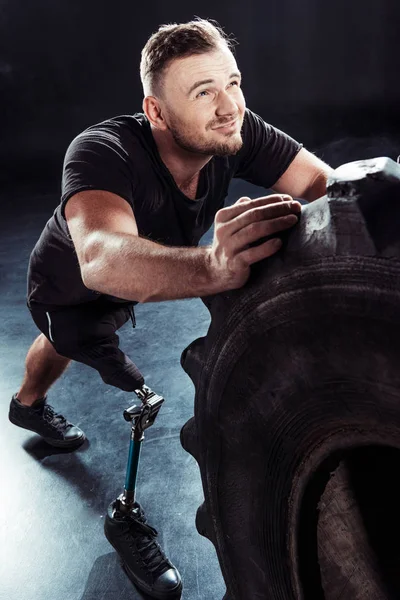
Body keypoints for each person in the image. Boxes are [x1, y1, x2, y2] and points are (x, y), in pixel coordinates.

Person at [8, 17, 333, 600]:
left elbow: (324, 186)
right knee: (63, 340)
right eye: (202, 92)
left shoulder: (236, 129)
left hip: (144, 276)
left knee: (86, 335)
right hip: (71, 286)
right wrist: (211, 267)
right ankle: (30, 408)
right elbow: (102, 259)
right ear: (157, 112)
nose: (228, 105)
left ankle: (28, 405)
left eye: (232, 82)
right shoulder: (103, 150)